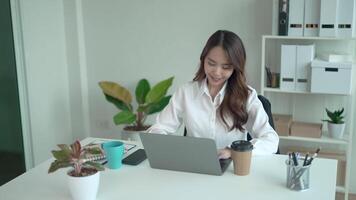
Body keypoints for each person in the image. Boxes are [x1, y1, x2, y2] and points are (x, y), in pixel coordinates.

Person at [147, 30, 279, 158]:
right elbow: (158, 129)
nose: (217, 72)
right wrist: (165, 144)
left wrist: (233, 151)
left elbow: (271, 140)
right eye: (211, 63)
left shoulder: (246, 96)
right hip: (193, 167)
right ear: (203, 60)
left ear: (235, 67)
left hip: (231, 169)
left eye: (226, 67)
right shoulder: (186, 92)